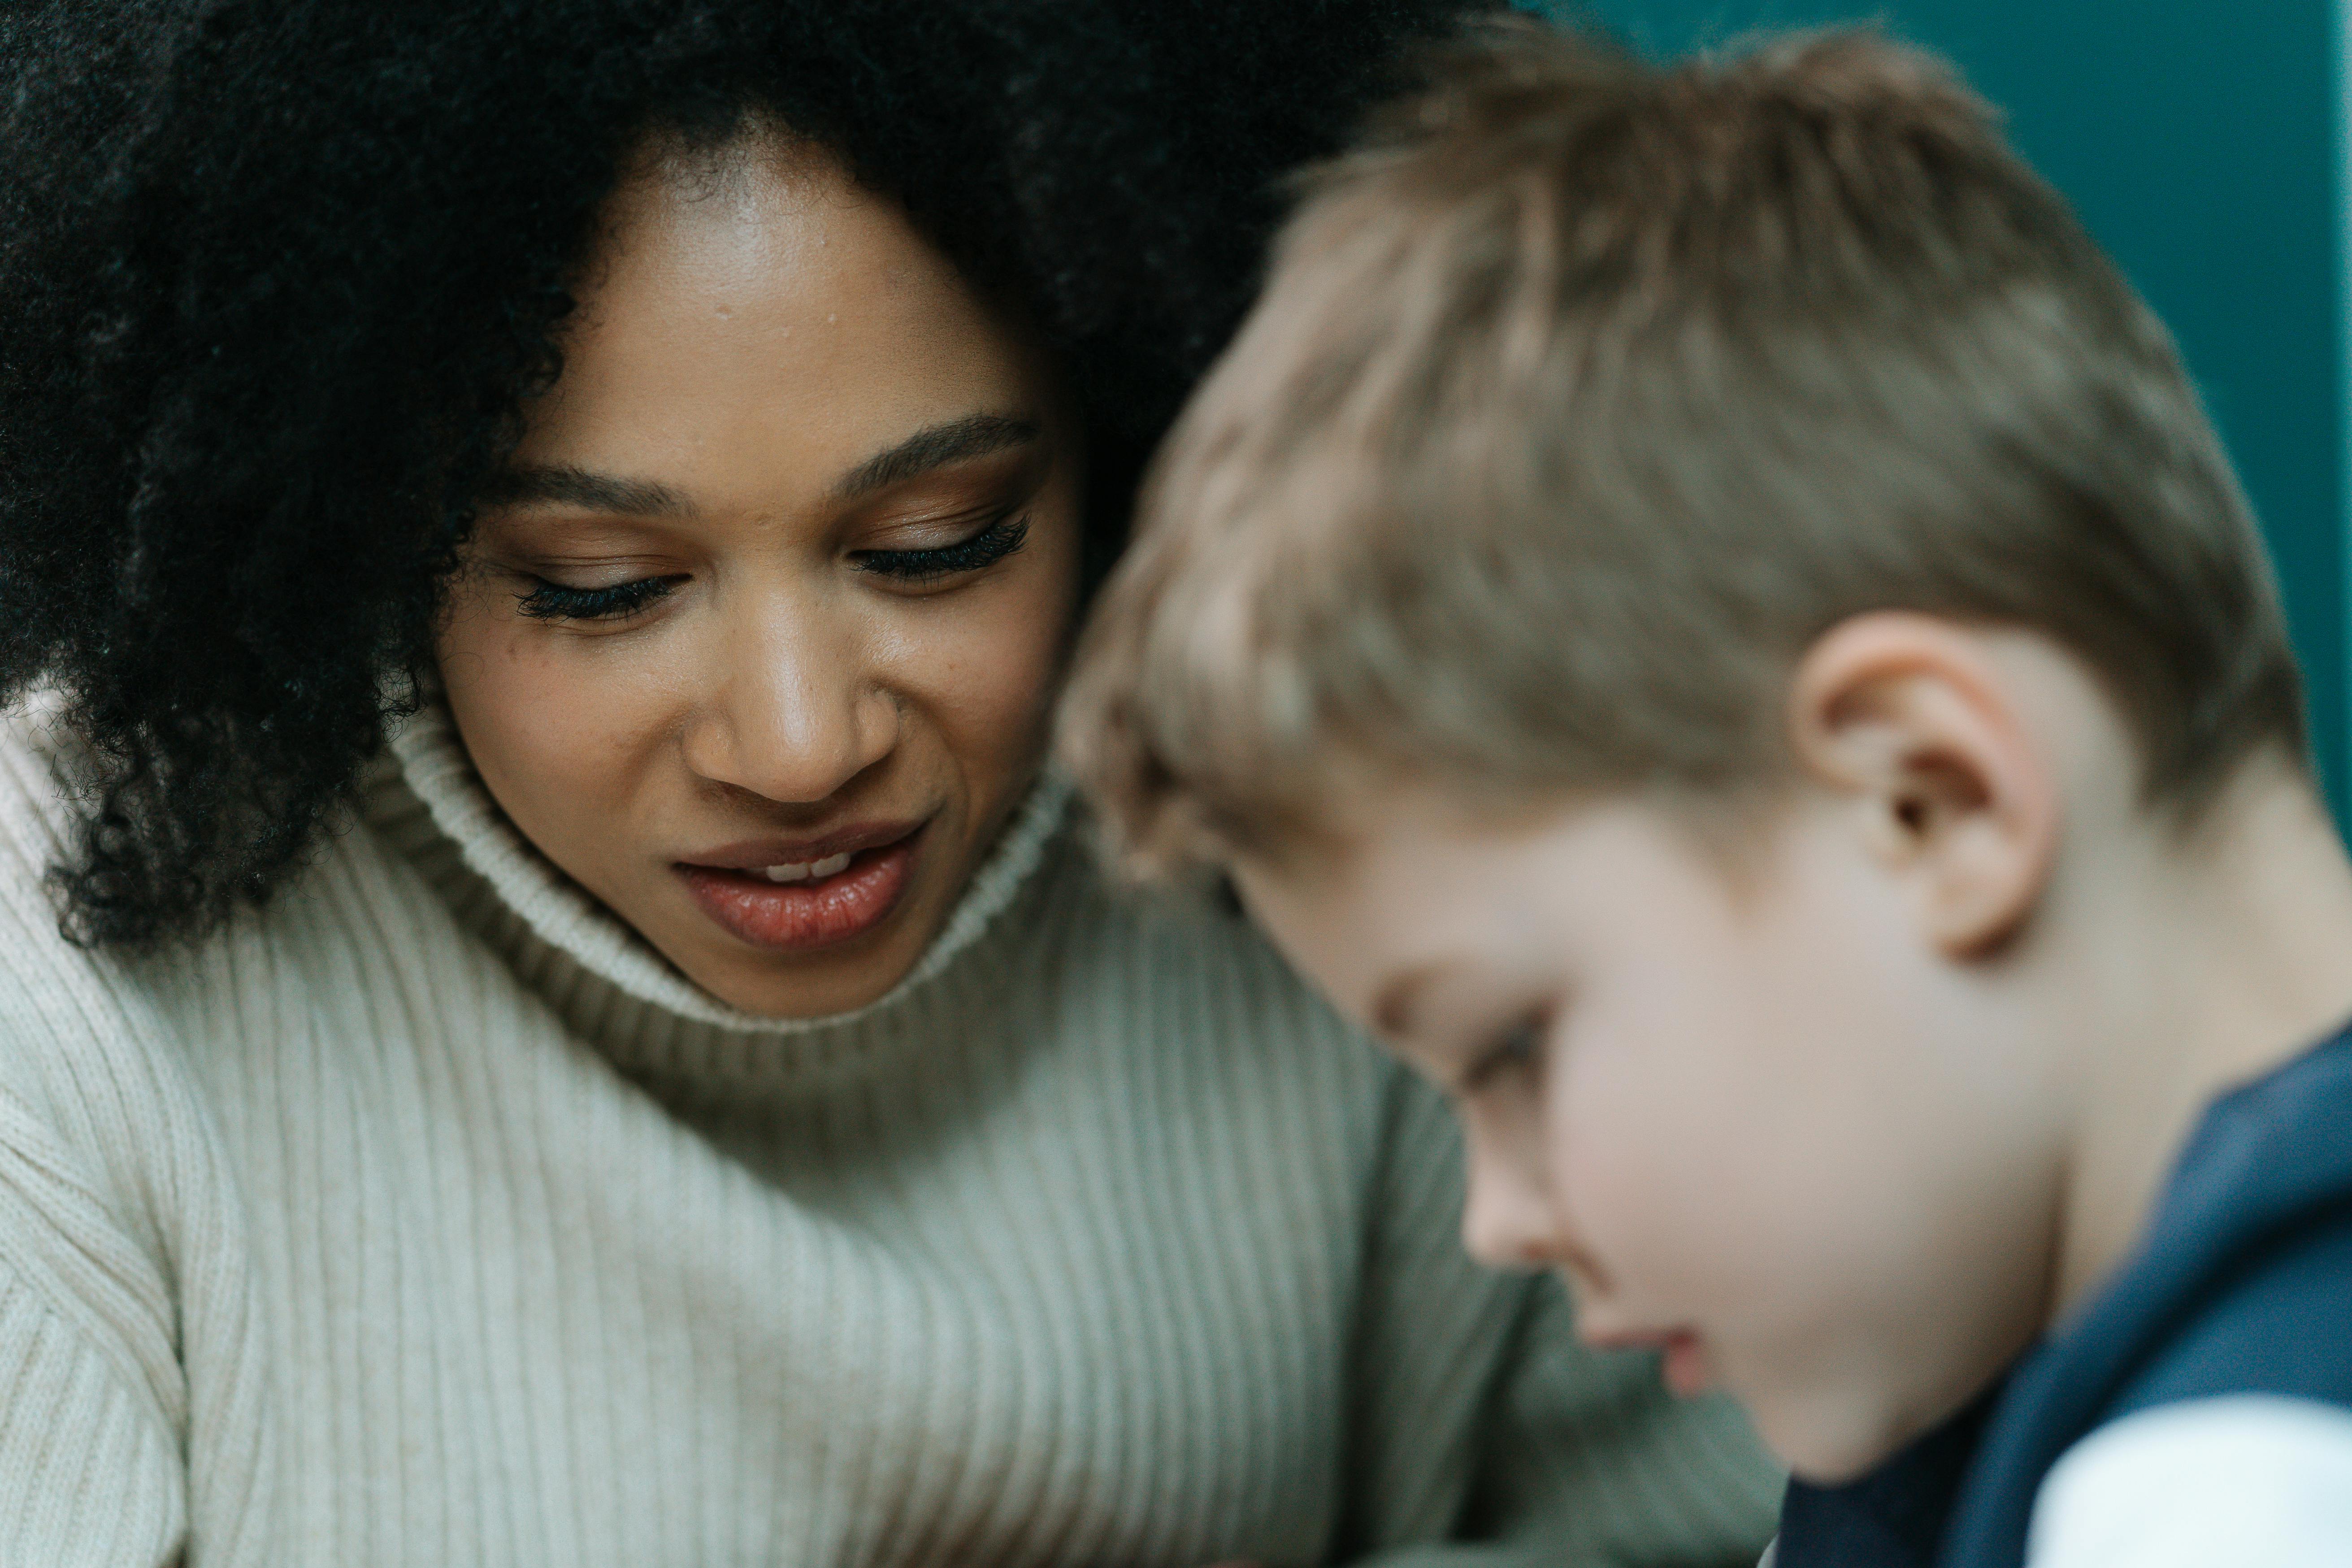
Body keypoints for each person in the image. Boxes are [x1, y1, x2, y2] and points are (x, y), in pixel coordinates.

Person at [0, 4, 1781, 1565]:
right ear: (361, 514)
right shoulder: (58, 996)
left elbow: (1754, 1529)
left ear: (1137, 421)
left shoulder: (1349, 800)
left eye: (942, 544)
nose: (799, 743)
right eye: (603, 588)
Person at [1059, 18, 2352, 1568]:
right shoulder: (1985, 1367)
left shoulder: (2247, 1484)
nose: (1499, 1217)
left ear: (1925, 800)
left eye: (1514, 1044)